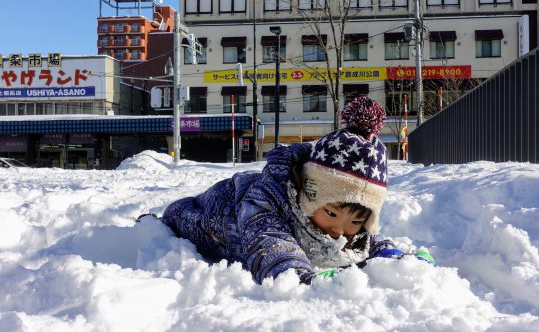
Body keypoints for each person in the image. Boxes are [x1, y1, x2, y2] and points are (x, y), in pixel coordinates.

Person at [161, 97, 434, 284]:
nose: (338, 230)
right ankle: (157, 223)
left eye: (355, 221)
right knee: (181, 217)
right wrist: (297, 277)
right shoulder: (267, 201)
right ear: (310, 193)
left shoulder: (348, 226)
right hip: (223, 214)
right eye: (331, 212)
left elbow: (366, 240)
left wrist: (390, 257)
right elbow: (270, 243)